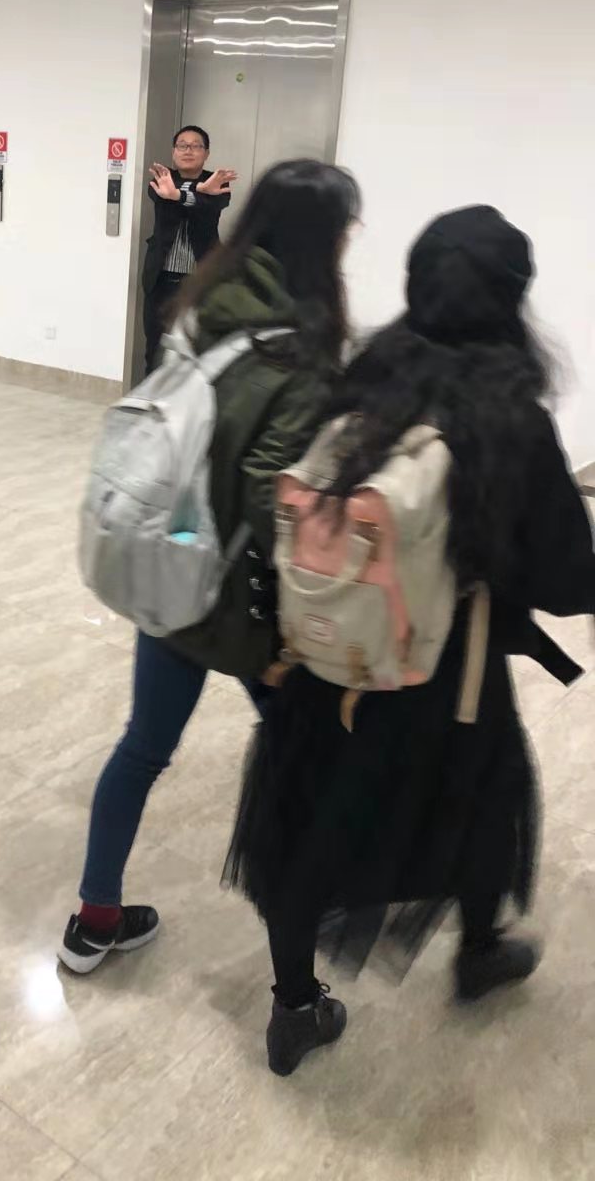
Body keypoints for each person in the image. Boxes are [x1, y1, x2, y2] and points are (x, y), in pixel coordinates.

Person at [227, 206, 595, 1079]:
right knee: (486, 801)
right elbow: (566, 579)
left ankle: (294, 1008)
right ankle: (479, 953)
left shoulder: (364, 384)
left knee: (306, 832)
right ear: (512, 298)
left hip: (331, 656)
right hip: (445, 674)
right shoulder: (510, 416)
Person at [60, 159, 361, 975]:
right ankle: (319, 906)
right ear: (324, 240)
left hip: (173, 562)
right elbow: (272, 491)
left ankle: (93, 920)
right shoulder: (301, 347)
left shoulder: (204, 302)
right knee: (304, 753)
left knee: (142, 748)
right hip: (244, 599)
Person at [141, 125, 237, 373]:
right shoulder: (161, 179)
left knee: (197, 348)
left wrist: (181, 195)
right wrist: (199, 192)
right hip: (161, 279)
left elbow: (211, 206)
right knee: (155, 347)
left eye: (196, 146)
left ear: (206, 153)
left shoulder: (218, 181)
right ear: (174, 151)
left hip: (200, 281)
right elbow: (166, 200)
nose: (188, 150)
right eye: (182, 145)